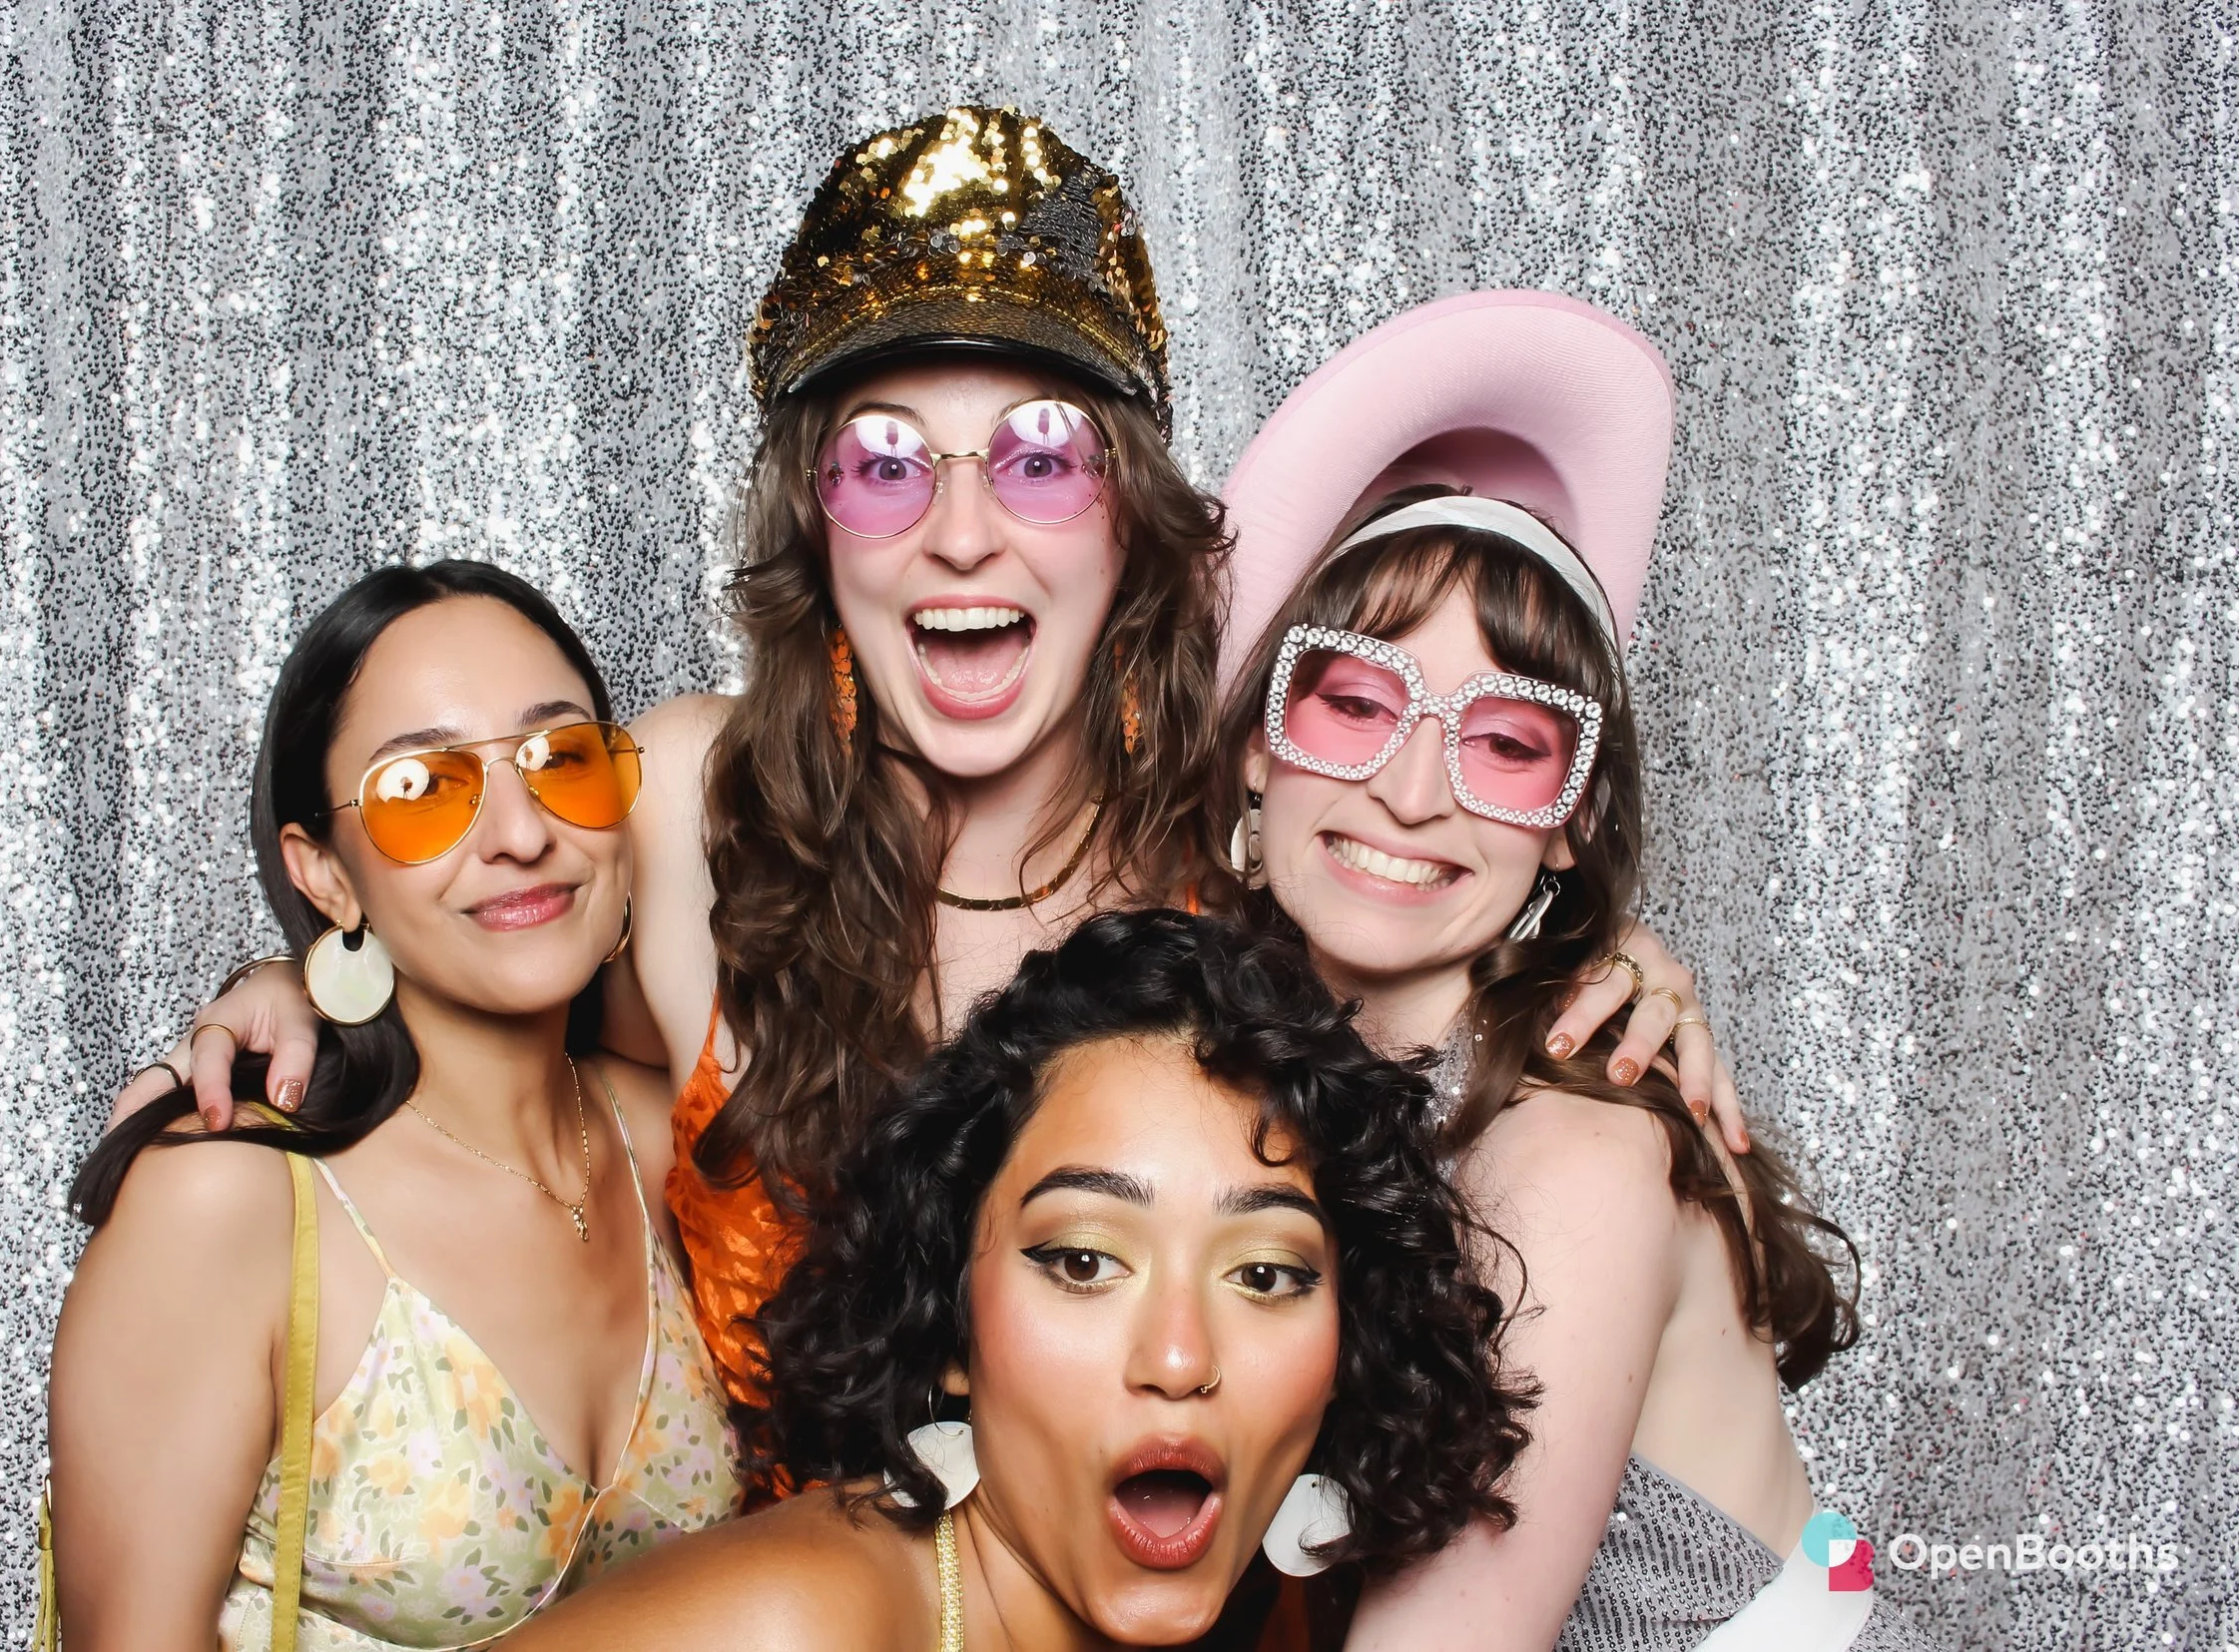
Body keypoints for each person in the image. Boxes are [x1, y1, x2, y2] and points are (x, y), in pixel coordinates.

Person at [112, 110, 1730, 1412]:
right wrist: (311, 988)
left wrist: (1598, 961)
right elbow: (473, 896)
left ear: (1133, 522)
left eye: (1043, 459)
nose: (963, 530)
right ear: (816, 523)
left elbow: (1442, 913)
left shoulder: (1246, 856)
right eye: (887, 463)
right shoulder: (685, 801)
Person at [1211, 292, 1930, 1649]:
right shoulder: (1274, 1064)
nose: (1412, 791)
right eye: (1356, 700)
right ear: (1259, 739)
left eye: (1505, 742)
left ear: (1569, 817)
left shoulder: (1573, 1158)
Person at [500, 909, 1531, 1650]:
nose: (1178, 1356)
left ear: (1350, 1344)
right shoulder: (795, 1622)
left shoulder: (1276, 1622)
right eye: (1084, 1259)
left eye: (1264, 1272)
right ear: (952, 1319)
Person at [47, 563, 738, 1648]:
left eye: (560, 757)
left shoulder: (669, 1144)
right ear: (324, 875)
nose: (520, 829)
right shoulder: (230, 1205)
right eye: (423, 788)